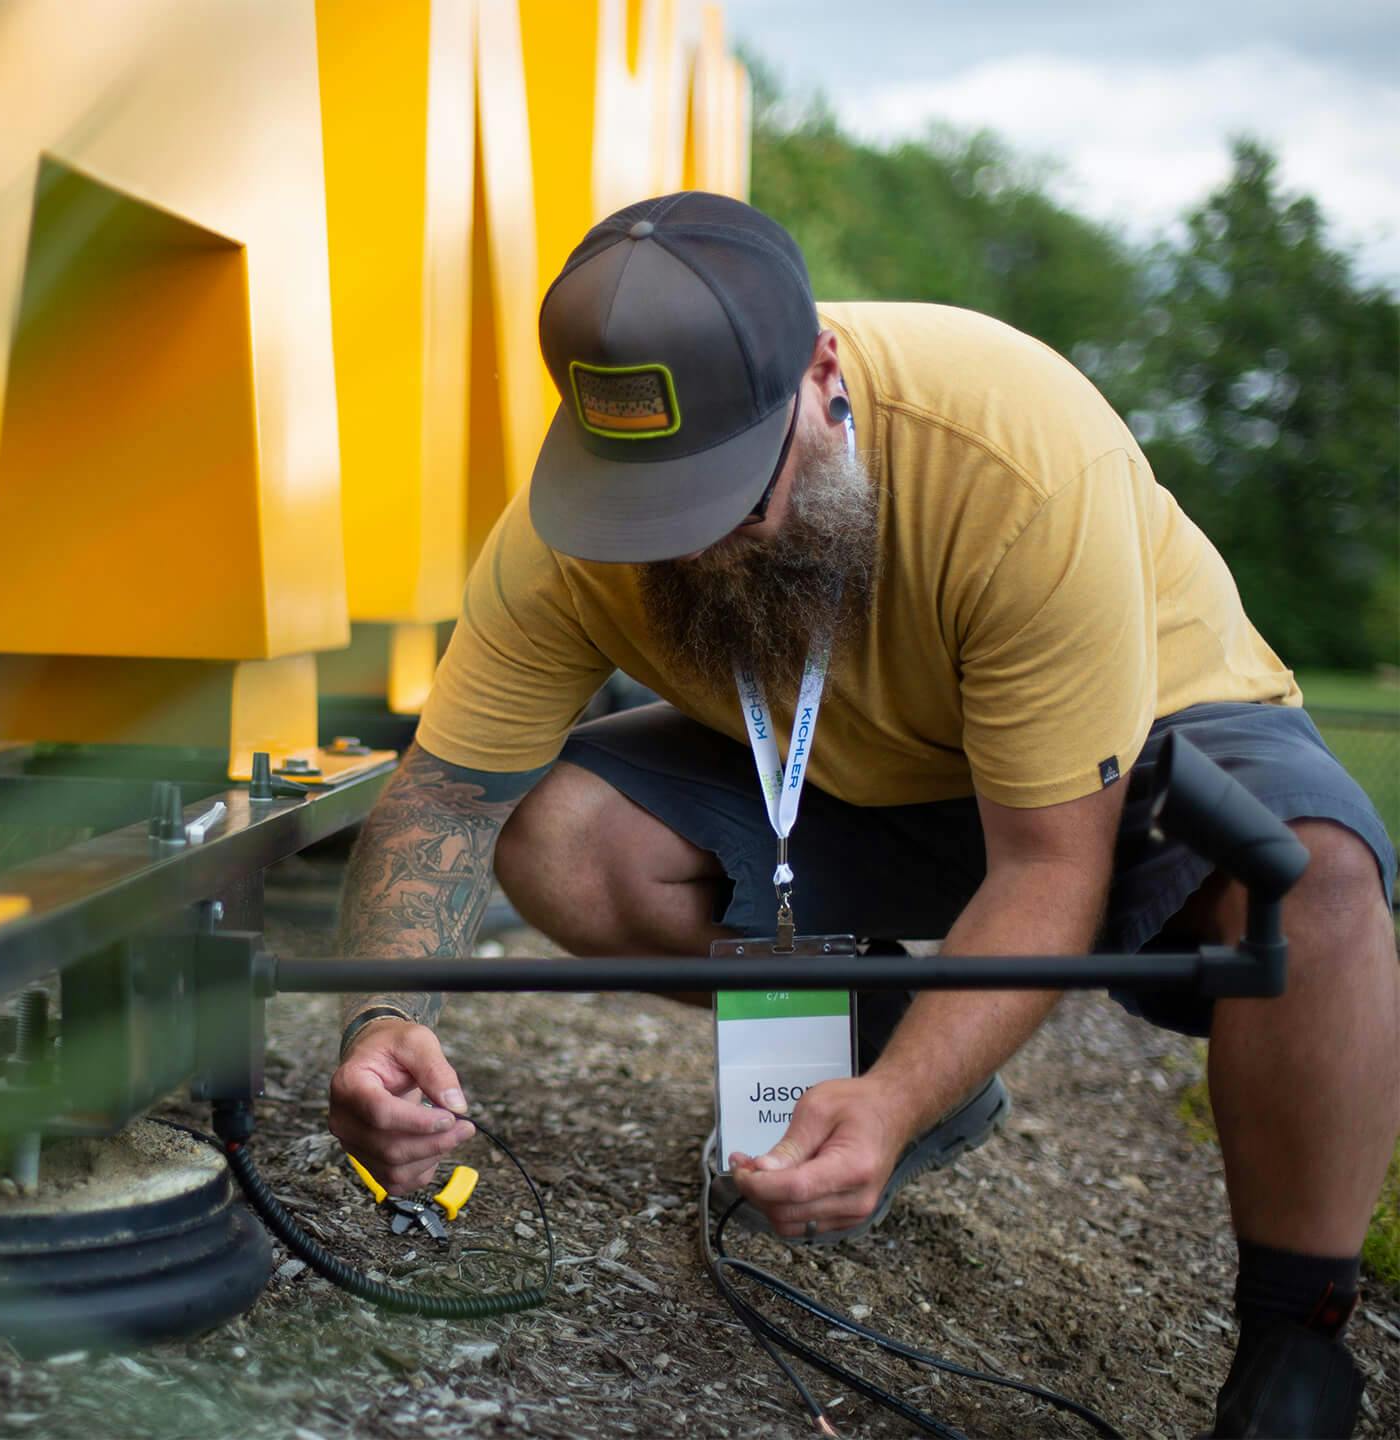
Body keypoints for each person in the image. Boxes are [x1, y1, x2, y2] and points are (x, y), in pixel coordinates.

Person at [325, 192, 1395, 1438]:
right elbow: (448, 800)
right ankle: (891, 1051)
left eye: (724, 495)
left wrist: (895, 1103)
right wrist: (383, 1017)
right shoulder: (564, 541)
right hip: (850, 768)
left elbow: (1052, 864)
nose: (688, 550)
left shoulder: (1015, 451)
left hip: (1140, 744)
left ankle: (1298, 1335)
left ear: (821, 373)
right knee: (560, 834)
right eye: (645, 506)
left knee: (1309, 877)